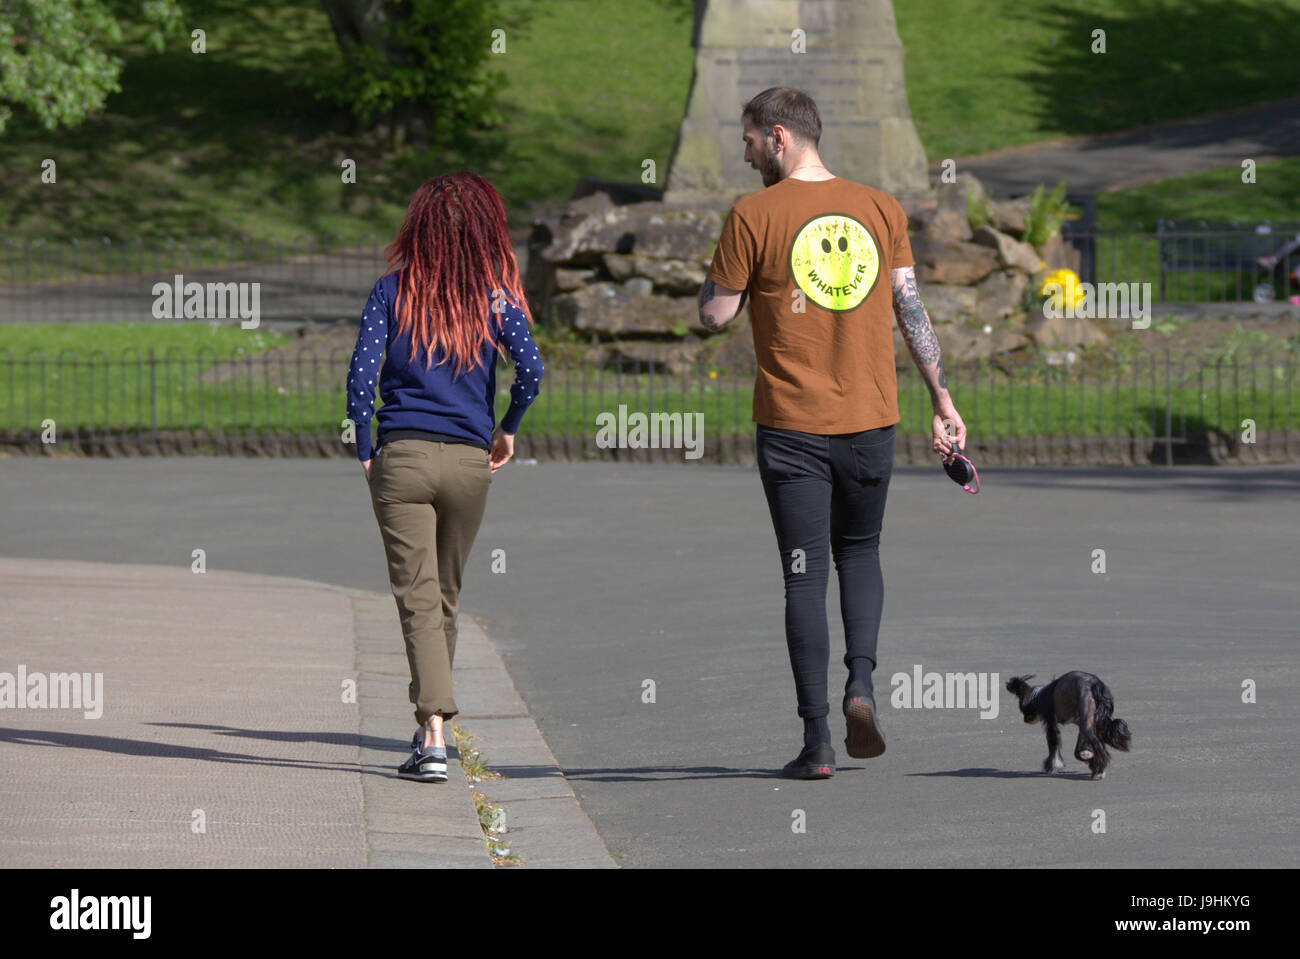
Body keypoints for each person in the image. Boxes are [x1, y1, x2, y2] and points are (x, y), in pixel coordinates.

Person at [698, 87, 968, 779]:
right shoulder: (880, 207)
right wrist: (942, 399)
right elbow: (912, 310)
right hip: (870, 422)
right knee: (861, 552)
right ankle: (863, 686)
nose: (746, 150)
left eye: (750, 139)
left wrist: (715, 289)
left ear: (780, 137)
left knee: (802, 574)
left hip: (790, 427)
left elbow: (717, 315)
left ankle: (817, 740)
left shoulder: (752, 214)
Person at [346, 172, 544, 782]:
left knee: (416, 599)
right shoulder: (493, 296)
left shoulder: (391, 291)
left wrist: (364, 446)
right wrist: (506, 426)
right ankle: (434, 729)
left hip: (401, 455)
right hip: (468, 462)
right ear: (485, 231)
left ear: (418, 228)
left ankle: (432, 730)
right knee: (445, 595)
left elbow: (360, 381)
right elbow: (531, 370)